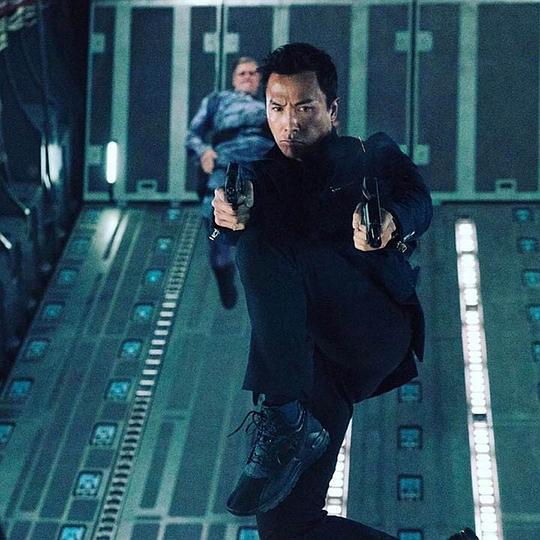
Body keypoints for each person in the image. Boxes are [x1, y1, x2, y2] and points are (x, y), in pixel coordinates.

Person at [213, 43, 477, 540]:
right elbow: (233, 209)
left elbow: (418, 200)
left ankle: (283, 415)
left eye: (305, 108)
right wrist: (225, 215)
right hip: (312, 364)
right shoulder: (260, 176)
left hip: (371, 323)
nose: (290, 123)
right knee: (286, 528)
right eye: (277, 108)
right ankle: (288, 420)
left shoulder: (369, 154)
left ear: (332, 110)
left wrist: (391, 221)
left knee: (259, 244)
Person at [185, 56, 273, 308]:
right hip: (225, 168)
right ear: (234, 79)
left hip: (262, 169)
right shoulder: (217, 101)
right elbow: (192, 135)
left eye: (253, 73)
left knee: (266, 237)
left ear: (259, 79)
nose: (248, 77)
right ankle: (224, 275)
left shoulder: (270, 103)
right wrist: (203, 151)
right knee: (218, 239)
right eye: (242, 73)